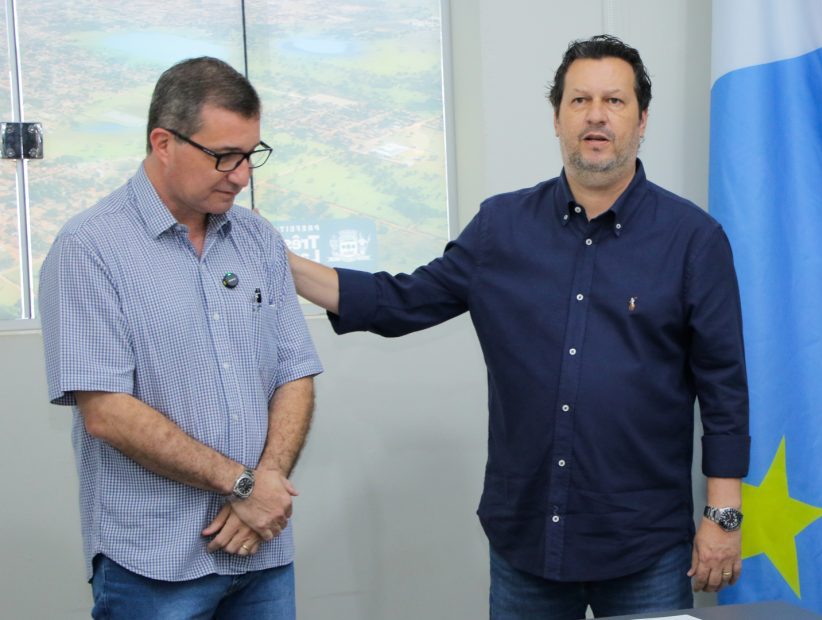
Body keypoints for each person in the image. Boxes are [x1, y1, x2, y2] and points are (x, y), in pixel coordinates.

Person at [286, 35, 749, 618]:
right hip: (528, 540)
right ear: (557, 118)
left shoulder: (693, 239)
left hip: (645, 544)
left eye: (614, 100)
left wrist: (722, 516)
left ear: (642, 119)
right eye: (579, 100)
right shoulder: (500, 228)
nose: (597, 115)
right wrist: (281, 262)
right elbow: (397, 302)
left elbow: (724, 387)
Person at [39, 57, 323, 619]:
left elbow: (295, 372)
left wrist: (264, 485)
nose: (241, 175)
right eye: (224, 156)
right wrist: (244, 486)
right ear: (163, 143)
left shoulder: (258, 238)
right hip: (153, 562)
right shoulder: (90, 248)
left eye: (251, 155)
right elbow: (107, 412)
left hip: (261, 551)